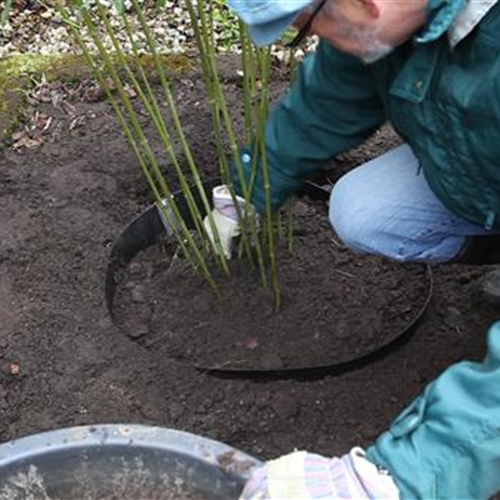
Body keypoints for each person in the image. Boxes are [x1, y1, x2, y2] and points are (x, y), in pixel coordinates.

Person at [201, 0, 500, 499]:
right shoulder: (391, 20)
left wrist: (394, 478)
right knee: (365, 210)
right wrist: (250, 188)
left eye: (315, 24)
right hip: (482, 177)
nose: (329, 40)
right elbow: (330, 97)